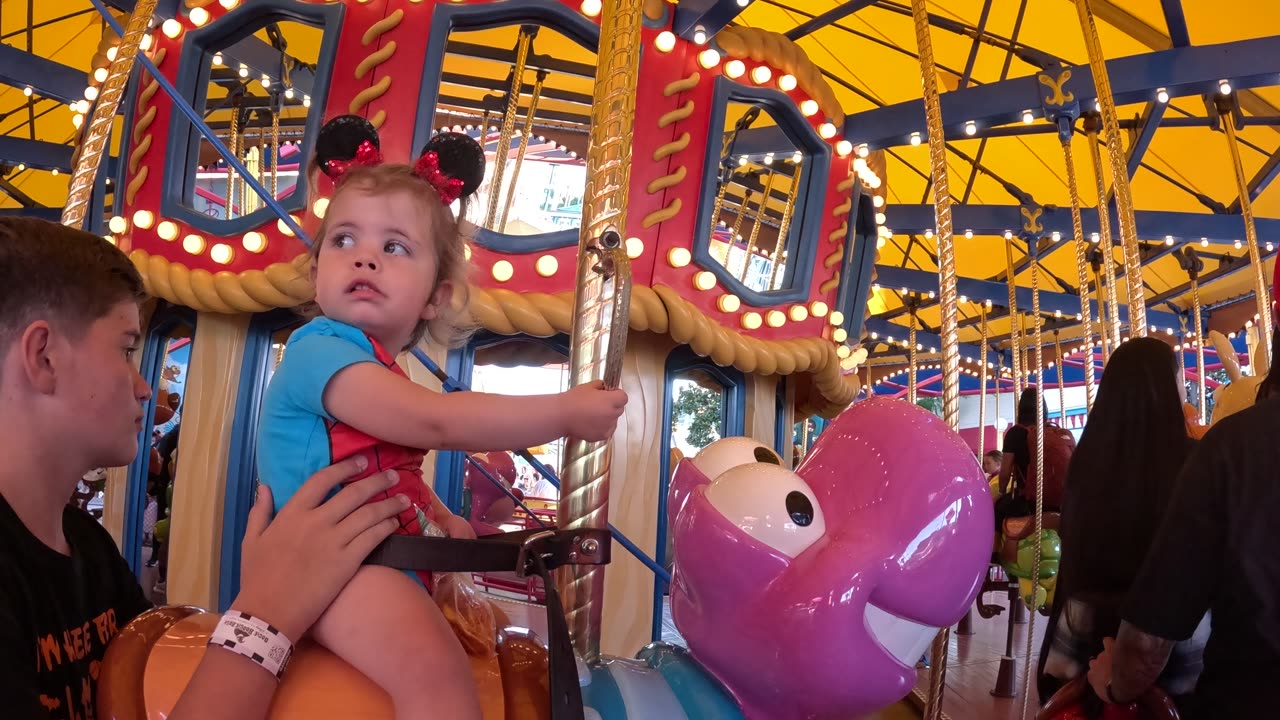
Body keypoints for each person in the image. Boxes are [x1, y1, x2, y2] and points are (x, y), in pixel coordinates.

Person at [257, 118, 628, 720]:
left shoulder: (374, 370)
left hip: (366, 564)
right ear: (316, 269)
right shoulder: (318, 350)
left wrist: (445, 518)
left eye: (394, 247)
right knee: (442, 686)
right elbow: (435, 423)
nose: (366, 259)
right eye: (343, 240)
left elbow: (385, 477)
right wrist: (563, 414)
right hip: (332, 573)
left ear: (436, 295)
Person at [0, 217, 409, 719]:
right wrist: (266, 614)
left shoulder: (88, 548)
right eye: (126, 349)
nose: (143, 386)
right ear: (43, 357)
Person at [1087, 321, 1280, 719]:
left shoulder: (1229, 448)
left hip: (1241, 694)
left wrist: (1116, 683)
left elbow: (1146, 642)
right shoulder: (1201, 452)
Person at [1037, 338, 1207, 711]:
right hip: (1171, 638)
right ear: (1166, 385)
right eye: (1179, 378)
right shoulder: (1193, 462)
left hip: (1085, 630)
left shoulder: (1088, 464)